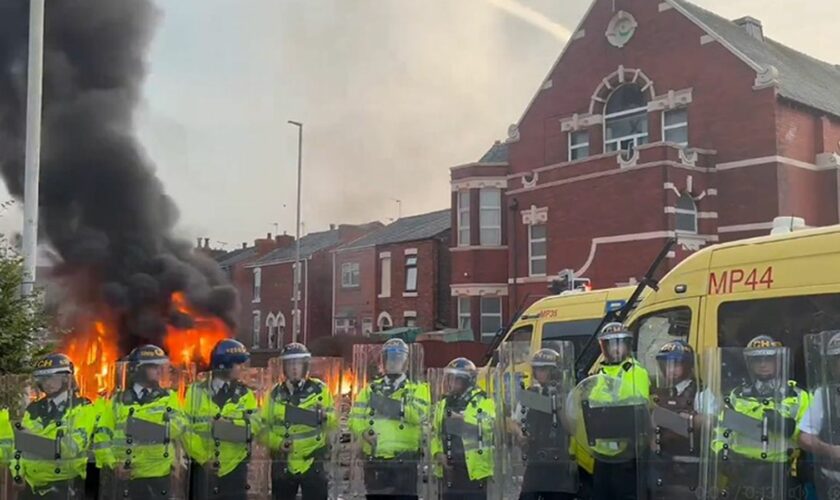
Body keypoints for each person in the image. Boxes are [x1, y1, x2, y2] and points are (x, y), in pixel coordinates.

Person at [710, 335, 810, 499]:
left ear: (778, 361)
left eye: (768, 359)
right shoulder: (737, 395)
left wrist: (788, 428)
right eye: (757, 360)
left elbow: (810, 437)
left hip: (780, 475)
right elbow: (720, 432)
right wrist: (722, 454)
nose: (763, 364)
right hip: (742, 474)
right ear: (749, 364)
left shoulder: (799, 396)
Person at [94, 345, 186, 499]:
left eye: (160, 366)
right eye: (153, 366)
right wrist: (113, 464)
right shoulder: (118, 401)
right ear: (138, 369)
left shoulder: (168, 397)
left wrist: (139, 427)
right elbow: (102, 435)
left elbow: (179, 427)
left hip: (159, 474)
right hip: (126, 474)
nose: (159, 371)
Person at [349, 338, 431, 500]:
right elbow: (355, 417)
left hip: (405, 460)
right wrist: (364, 431)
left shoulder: (418, 388)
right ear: (384, 361)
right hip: (375, 459)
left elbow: (418, 416)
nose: (393, 363)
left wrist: (387, 404)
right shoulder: (370, 388)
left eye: (398, 359)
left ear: (406, 363)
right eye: (390, 359)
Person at [9, 353, 96, 499]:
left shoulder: (83, 407)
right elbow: (17, 447)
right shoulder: (33, 409)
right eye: (43, 378)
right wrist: (17, 475)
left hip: (65, 486)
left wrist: (30, 440)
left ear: (66, 378)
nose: (47, 382)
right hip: (31, 487)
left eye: (52, 377)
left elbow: (70, 449)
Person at [184, 339, 258, 500]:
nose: (242, 368)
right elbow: (186, 430)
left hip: (235, 468)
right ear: (224, 365)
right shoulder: (196, 392)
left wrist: (227, 426)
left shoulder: (246, 394)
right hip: (203, 469)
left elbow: (254, 427)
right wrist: (203, 459)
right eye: (238, 364)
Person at [263, 342, 336, 500]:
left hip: (313, 462)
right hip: (284, 463)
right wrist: (278, 443)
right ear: (284, 367)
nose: (294, 368)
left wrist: (324, 417)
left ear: (305, 366)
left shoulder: (320, 390)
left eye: (297, 364)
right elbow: (262, 429)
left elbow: (334, 422)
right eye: (290, 364)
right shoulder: (275, 394)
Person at [587, 322, 650, 500]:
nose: (616, 350)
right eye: (611, 345)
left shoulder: (636, 372)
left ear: (627, 345)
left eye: (619, 344)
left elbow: (637, 409)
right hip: (601, 453)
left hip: (626, 453)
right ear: (603, 347)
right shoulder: (599, 374)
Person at [512, 348, 577, 500]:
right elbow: (515, 421)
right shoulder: (531, 394)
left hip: (559, 460)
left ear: (554, 371)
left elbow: (572, 428)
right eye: (537, 369)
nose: (539, 373)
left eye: (544, 369)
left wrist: (557, 404)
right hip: (535, 457)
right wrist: (520, 434)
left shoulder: (566, 393)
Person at [431, 357, 496, 500]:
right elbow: (434, 433)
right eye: (449, 379)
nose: (451, 383)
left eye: (456, 379)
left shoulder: (482, 400)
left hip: (474, 472)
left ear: (467, 381)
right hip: (449, 471)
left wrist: (462, 419)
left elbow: (489, 425)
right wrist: (438, 454)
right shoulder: (443, 403)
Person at [647, 340, 701, 500]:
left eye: (676, 365)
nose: (670, 370)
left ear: (688, 366)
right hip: (660, 461)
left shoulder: (701, 392)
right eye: (667, 365)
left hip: (688, 461)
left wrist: (689, 419)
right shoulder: (660, 393)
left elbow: (711, 422)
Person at [798, 330, 840, 499]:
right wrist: (831, 450)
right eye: (836, 359)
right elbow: (804, 438)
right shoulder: (824, 394)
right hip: (833, 484)